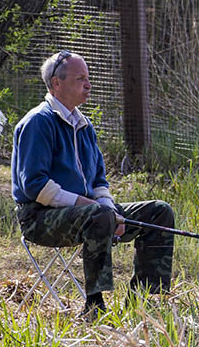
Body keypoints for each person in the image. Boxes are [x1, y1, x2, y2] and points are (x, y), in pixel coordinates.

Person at [11, 50, 174, 317]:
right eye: (80, 79)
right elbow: (34, 186)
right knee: (98, 215)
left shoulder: (84, 126)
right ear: (56, 84)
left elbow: (99, 181)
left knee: (159, 211)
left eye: (88, 78)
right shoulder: (38, 123)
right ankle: (94, 305)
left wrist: (111, 210)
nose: (88, 84)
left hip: (90, 214)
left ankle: (144, 300)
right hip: (40, 218)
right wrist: (92, 208)